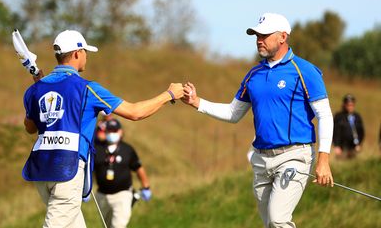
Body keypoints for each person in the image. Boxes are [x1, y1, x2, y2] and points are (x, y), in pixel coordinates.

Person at [181, 13, 334, 228]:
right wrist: (197, 102)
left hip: (294, 156)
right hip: (261, 159)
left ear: (283, 37)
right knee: (269, 224)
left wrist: (323, 160)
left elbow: (324, 115)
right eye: (256, 35)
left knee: (278, 219)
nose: (259, 40)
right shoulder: (253, 74)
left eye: (264, 35)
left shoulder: (305, 71)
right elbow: (234, 113)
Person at [22, 30, 183, 228]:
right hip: (67, 170)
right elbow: (135, 112)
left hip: (41, 169)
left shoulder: (36, 89)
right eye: (85, 52)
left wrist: (43, 91)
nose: (86, 57)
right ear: (76, 54)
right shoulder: (88, 88)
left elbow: (30, 127)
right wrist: (169, 94)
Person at [94, 118, 151, 228]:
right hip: (102, 195)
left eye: (114, 131)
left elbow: (138, 167)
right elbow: (89, 170)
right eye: (109, 131)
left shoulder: (127, 149)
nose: (112, 133)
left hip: (122, 194)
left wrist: (146, 186)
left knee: (118, 225)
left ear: (120, 132)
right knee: (107, 225)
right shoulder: (97, 149)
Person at [333, 94, 365, 159]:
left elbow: (361, 131)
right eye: (348, 105)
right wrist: (336, 145)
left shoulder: (357, 116)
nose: (350, 107)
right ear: (344, 105)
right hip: (342, 148)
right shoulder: (338, 116)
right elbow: (335, 132)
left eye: (352, 105)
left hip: (354, 147)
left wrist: (359, 144)